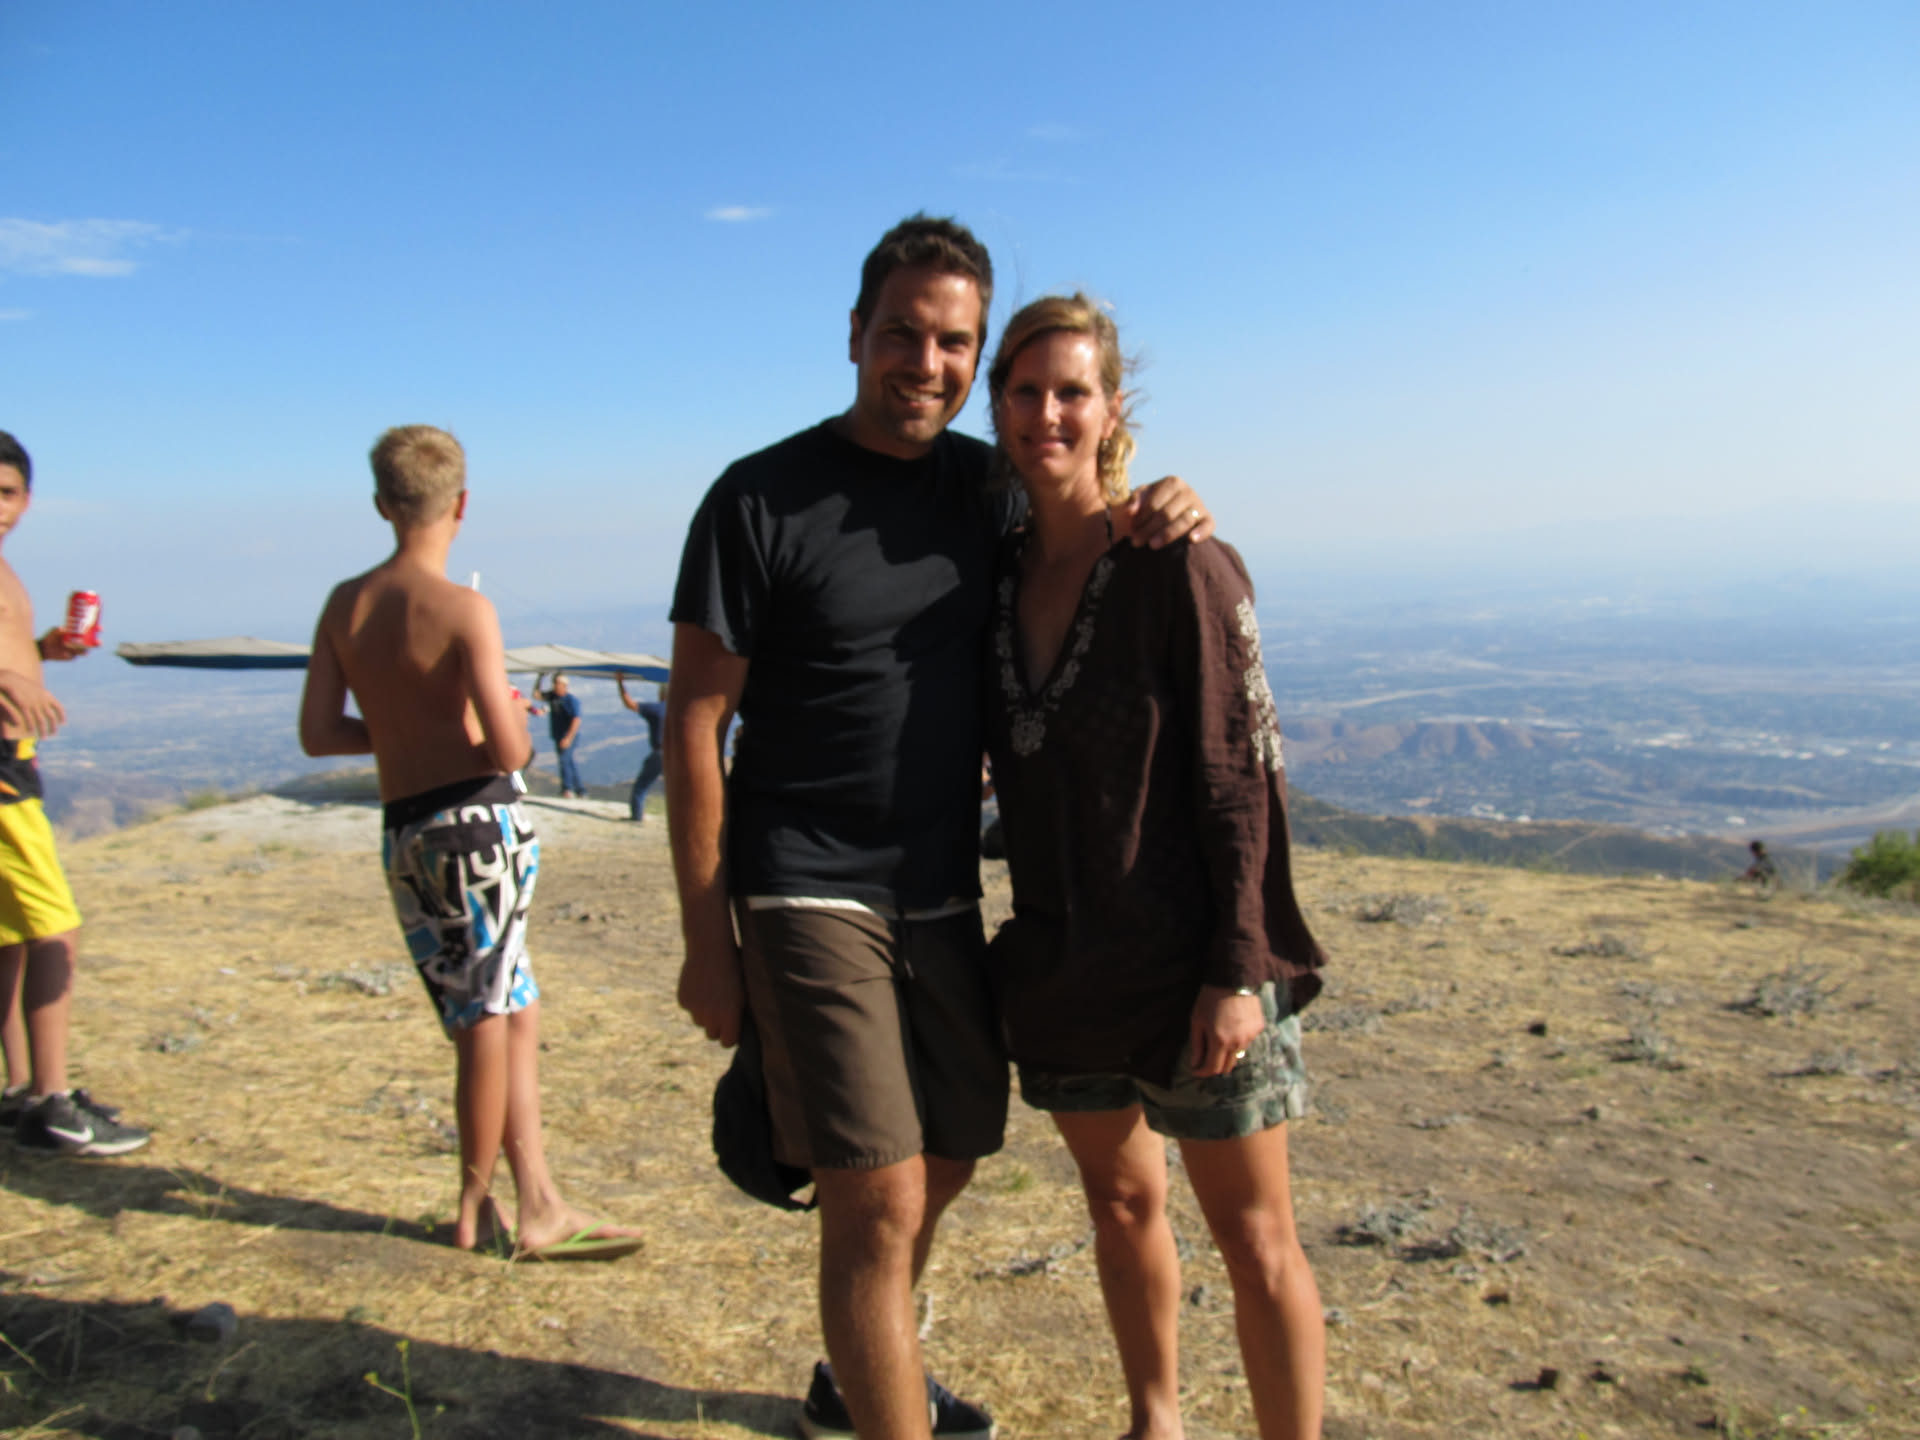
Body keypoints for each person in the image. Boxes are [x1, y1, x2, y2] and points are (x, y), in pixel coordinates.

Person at [666, 215, 1213, 1440]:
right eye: (902, 333)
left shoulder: (985, 487)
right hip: (805, 880)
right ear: (855, 334)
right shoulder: (758, 497)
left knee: (953, 1148)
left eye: (954, 342)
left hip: (940, 888)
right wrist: (709, 943)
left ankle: (857, 1382)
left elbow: (1078, 515)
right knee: (877, 1195)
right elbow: (696, 724)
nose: (928, 363)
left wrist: (1163, 500)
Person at [980, 296, 1328, 1440]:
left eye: (1071, 391)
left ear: (1112, 407)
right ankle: (1154, 1423)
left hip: (1194, 969)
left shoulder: (1178, 564)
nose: (1047, 413)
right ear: (997, 405)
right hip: (1065, 968)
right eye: (1025, 391)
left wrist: (1239, 968)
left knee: (1256, 1239)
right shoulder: (991, 578)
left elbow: (1242, 776)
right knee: (1121, 1204)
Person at [299, 425, 641, 1261]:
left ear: (382, 505)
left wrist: (404, 731)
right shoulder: (464, 609)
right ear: (461, 505)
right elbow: (511, 750)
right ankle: (476, 1207)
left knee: (509, 1006)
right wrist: (494, 722)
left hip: (405, 831)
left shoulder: (344, 605)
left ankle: (541, 1200)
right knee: (488, 1017)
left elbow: (320, 734)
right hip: (478, 828)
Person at [0, 430, 151, 1156]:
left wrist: (40, 654)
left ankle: (22, 1090)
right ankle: (54, 1105)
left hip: (14, 757)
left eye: (6, 493)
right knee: (55, 927)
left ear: (28, 500)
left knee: (8, 936)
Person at [615, 675, 665, 822]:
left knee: (641, 786)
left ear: (661, 693)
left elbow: (629, 704)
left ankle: (636, 816)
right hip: (677, 755)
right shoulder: (680, 710)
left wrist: (620, 683)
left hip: (659, 754)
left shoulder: (657, 710)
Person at [536, 672, 585, 797]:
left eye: (557, 683)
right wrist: (540, 678)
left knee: (564, 761)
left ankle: (567, 789)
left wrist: (568, 738)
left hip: (568, 736)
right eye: (554, 683)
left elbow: (576, 720)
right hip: (558, 735)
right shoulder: (553, 697)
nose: (554, 686)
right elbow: (536, 695)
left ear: (564, 685)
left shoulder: (571, 700)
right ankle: (580, 790)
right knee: (569, 762)